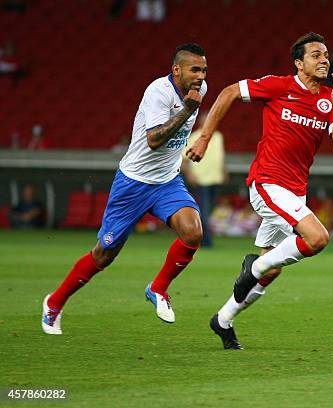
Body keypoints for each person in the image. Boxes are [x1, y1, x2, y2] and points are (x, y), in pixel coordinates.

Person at [186, 32, 333, 349]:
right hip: (267, 183)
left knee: (271, 270)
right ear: (299, 63)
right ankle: (254, 266)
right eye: (316, 54)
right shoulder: (279, 86)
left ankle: (223, 320)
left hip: (295, 191)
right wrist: (205, 137)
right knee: (317, 238)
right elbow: (231, 91)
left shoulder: (329, 100)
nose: (324, 59)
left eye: (326, 54)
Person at [41, 43, 208, 335]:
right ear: (176, 70)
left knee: (193, 232)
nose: (201, 76)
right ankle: (54, 302)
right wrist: (187, 111)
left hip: (167, 180)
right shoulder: (158, 92)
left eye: (205, 70)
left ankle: (158, 289)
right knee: (105, 254)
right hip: (133, 182)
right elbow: (155, 139)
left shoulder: (200, 90)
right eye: (195, 69)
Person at [182, 112, 227, 247]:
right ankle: (205, 241)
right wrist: (189, 174)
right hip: (201, 179)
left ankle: (201, 238)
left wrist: (224, 171)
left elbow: (220, 156)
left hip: (216, 178)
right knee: (204, 210)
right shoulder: (194, 137)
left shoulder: (218, 136)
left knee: (209, 210)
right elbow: (184, 160)